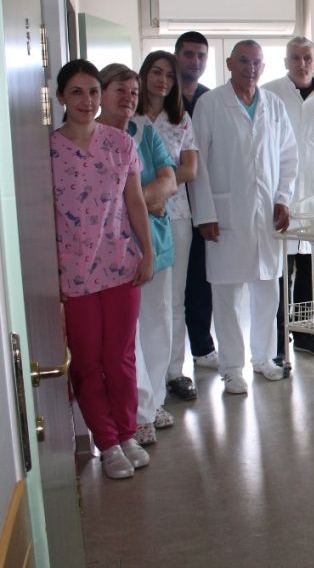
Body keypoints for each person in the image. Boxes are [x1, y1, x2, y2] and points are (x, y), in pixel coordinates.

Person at [50, 59, 153, 479]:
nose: (87, 100)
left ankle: (127, 434)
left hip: (120, 264)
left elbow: (135, 202)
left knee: (121, 357)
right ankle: (106, 443)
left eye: (93, 92)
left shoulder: (120, 143)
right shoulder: (48, 151)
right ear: (61, 97)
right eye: (76, 92)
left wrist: (147, 252)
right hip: (74, 273)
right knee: (88, 362)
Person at [189, 40, 299, 394]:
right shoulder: (210, 104)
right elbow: (196, 162)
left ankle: (263, 358)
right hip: (225, 214)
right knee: (228, 296)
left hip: (267, 215)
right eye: (243, 61)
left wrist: (283, 199)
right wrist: (205, 213)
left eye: (256, 62)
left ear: (263, 67)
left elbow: (289, 157)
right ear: (229, 64)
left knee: (268, 289)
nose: (250, 68)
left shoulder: (274, 105)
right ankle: (232, 368)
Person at [97, 63, 178, 447]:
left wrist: (134, 201)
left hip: (154, 245)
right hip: (112, 252)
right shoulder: (90, 137)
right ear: (101, 93)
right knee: (126, 335)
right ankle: (139, 410)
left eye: (133, 92)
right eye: (120, 90)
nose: (129, 98)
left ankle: (153, 400)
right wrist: (147, 200)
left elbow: (170, 181)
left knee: (158, 325)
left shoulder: (145, 132)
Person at [263, 36, 314, 360]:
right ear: (286, 62)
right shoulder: (270, 93)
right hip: (281, 194)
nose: (301, 63)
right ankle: (278, 338)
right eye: (295, 58)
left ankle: (305, 333)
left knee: (309, 267)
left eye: (307, 57)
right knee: (281, 270)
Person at [135, 51, 199, 404]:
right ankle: (144, 376)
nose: (163, 80)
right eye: (157, 72)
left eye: (169, 76)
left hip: (175, 217)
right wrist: (150, 190)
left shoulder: (180, 119)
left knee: (174, 299)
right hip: (135, 217)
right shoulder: (129, 115)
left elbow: (191, 168)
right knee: (143, 301)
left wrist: (158, 185)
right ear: (144, 74)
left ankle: (173, 371)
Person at [175, 31, 220, 375]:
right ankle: (170, 363)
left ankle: (202, 348)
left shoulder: (210, 99)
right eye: (189, 54)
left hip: (203, 201)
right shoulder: (163, 97)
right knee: (174, 287)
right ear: (177, 56)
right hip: (171, 202)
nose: (195, 61)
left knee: (202, 279)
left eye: (201, 55)